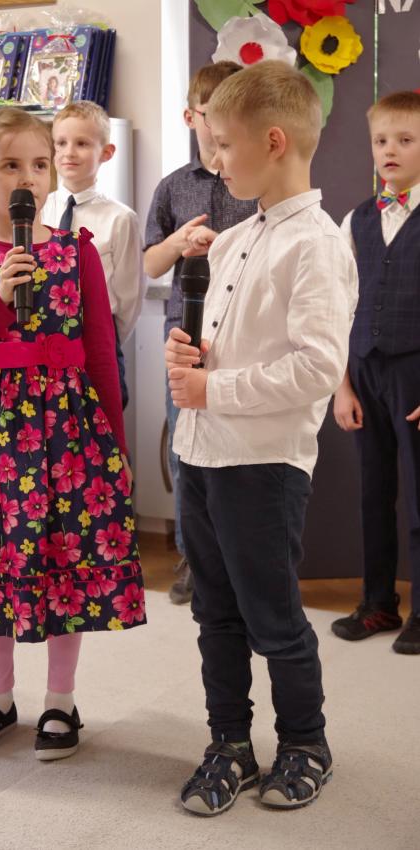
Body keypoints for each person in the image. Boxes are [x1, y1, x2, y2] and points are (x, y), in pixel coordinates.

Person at [0, 107, 146, 759]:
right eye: (12, 165)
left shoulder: (78, 251)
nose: (28, 178)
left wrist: (115, 448)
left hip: (63, 433)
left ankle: (60, 700)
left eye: (39, 165)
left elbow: (100, 352)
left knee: (61, 557)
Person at [165, 60, 358, 814]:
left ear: (273, 141)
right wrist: (193, 358)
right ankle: (230, 744)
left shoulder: (316, 245)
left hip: (263, 466)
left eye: (223, 144)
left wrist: (213, 389)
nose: (214, 160)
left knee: (274, 619)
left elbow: (316, 367)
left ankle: (306, 743)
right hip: (200, 454)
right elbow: (233, 343)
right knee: (213, 614)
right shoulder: (231, 240)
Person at [144, 61, 257, 605]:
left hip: (244, 333)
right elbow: (150, 264)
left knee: (240, 452)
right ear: (190, 117)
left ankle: (239, 561)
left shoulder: (254, 180)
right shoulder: (173, 187)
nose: (215, 128)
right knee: (185, 453)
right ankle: (193, 559)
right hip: (183, 338)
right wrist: (179, 243)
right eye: (208, 115)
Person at [332, 91, 420, 655]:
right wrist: (341, 385)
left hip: (415, 375)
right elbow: (339, 306)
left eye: (406, 140)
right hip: (364, 371)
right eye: (381, 140)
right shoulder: (357, 219)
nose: (390, 149)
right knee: (374, 496)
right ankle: (378, 602)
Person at [43, 100, 144, 410]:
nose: (69, 152)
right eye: (61, 143)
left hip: (97, 336)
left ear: (106, 152)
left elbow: (128, 297)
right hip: (46, 335)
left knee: (101, 416)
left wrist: (104, 335)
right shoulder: (38, 210)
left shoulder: (120, 218)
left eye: (82, 143)